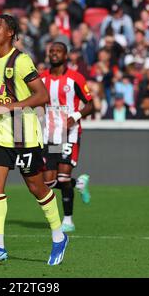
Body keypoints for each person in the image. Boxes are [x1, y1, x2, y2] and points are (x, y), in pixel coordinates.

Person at [0, 15, 69, 265]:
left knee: (37, 188)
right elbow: (0, 96)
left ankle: (59, 236)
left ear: (10, 33)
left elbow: (42, 96)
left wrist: (9, 107)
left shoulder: (21, 61)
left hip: (23, 135)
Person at [40, 42, 94, 232]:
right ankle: (78, 183)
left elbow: (90, 105)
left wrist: (75, 117)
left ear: (66, 55)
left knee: (62, 178)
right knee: (47, 181)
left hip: (68, 134)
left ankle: (68, 220)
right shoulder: (42, 78)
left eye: (58, 51)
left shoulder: (75, 78)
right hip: (48, 134)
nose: (54, 54)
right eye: (51, 51)